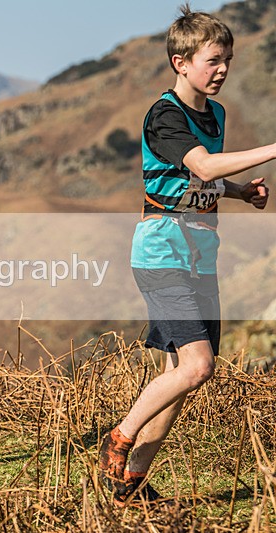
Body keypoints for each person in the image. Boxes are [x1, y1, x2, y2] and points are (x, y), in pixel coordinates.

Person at [99, 4, 272, 505]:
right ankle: (121, 435)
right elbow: (205, 163)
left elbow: (200, 179)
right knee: (198, 367)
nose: (222, 70)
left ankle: (128, 484)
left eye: (228, 60)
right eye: (213, 60)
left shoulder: (215, 113)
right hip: (161, 255)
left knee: (181, 378)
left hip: (202, 257)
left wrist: (241, 194)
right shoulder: (164, 116)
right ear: (181, 62)